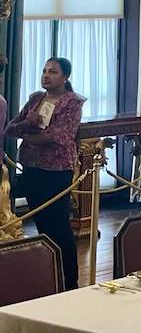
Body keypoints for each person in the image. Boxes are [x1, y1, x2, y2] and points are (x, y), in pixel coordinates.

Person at [7, 58, 85, 290]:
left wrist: (28, 136)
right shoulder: (35, 99)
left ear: (65, 77)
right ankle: (48, 274)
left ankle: (69, 280)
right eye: (44, 71)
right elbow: (11, 128)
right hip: (32, 167)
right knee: (41, 224)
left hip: (57, 169)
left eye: (53, 72)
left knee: (58, 224)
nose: (46, 75)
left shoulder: (72, 103)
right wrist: (28, 124)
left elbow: (59, 137)